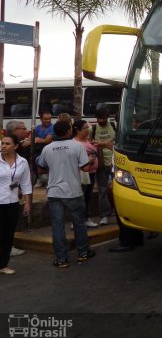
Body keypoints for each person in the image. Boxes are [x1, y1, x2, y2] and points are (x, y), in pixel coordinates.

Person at [37, 121, 96, 268]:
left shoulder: (47, 148)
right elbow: (85, 168)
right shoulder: (77, 146)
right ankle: (83, 252)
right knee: (79, 223)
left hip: (54, 192)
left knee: (57, 226)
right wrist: (89, 160)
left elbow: (41, 169)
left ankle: (61, 258)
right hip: (73, 191)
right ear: (69, 131)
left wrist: (55, 169)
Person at [0, 134, 32, 274]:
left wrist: (27, 203)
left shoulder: (23, 162)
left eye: (7, 144)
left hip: (13, 203)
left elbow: (26, 183)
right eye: (2, 143)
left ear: (16, 146)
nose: (3, 146)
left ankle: (3, 265)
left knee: (8, 235)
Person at [90, 108, 116, 226]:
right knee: (102, 190)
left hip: (114, 162)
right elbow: (89, 145)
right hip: (100, 163)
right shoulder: (93, 129)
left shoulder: (114, 126)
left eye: (104, 118)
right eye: (99, 118)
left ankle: (118, 211)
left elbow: (117, 144)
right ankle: (105, 215)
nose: (101, 120)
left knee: (118, 188)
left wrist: (103, 144)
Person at [72, 120, 99, 228]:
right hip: (81, 174)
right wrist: (87, 160)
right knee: (80, 198)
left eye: (88, 127)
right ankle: (77, 220)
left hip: (91, 172)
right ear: (77, 130)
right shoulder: (74, 143)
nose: (88, 130)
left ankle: (86, 218)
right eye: (85, 128)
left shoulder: (87, 140)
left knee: (88, 196)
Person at [33, 112, 54, 188]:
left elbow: (47, 140)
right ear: (41, 119)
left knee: (37, 159)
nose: (48, 120)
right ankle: (38, 179)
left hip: (49, 150)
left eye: (49, 119)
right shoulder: (38, 127)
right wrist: (30, 141)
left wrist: (36, 139)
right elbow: (30, 138)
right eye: (46, 119)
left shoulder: (52, 127)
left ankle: (44, 180)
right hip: (39, 149)